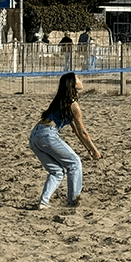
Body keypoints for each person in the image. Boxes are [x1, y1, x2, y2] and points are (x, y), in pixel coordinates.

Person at [29, 72, 101, 209]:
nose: (81, 80)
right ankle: (73, 202)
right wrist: (95, 151)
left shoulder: (60, 100)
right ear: (72, 84)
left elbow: (77, 133)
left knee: (56, 172)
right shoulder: (73, 105)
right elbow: (83, 132)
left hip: (34, 136)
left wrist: (89, 150)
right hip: (47, 135)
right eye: (78, 78)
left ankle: (43, 202)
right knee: (74, 163)